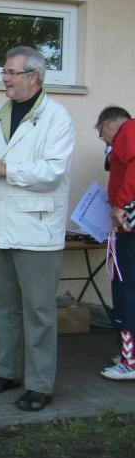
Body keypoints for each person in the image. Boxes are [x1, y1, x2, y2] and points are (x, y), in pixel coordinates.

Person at [0, 46, 75, 411]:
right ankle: (7, 371)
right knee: (2, 306)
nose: (5, 79)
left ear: (34, 77)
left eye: (12, 72)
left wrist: (4, 169)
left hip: (37, 230)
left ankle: (40, 384)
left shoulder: (57, 117)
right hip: (1, 226)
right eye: (5, 73)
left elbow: (52, 171)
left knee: (38, 311)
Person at [95, 106, 135, 380]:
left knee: (126, 288)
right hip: (125, 228)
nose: (105, 141)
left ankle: (130, 361)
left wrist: (120, 204)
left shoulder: (129, 130)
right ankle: (127, 354)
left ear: (108, 124)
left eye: (102, 135)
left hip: (129, 227)